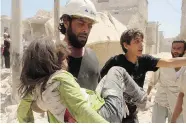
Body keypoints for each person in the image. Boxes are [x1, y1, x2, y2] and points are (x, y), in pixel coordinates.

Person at [17, 38, 151, 123]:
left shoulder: (39, 89)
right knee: (117, 71)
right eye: (65, 59)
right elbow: (81, 109)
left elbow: (22, 112)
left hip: (93, 107)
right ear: (58, 61)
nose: (67, 63)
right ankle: (143, 99)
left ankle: (125, 98)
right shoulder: (61, 78)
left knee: (103, 82)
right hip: (103, 115)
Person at [100, 28, 186, 123]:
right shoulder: (115, 61)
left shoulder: (144, 60)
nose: (141, 45)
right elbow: (99, 82)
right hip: (114, 114)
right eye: (137, 41)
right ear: (126, 45)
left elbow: (169, 62)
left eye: (142, 41)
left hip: (132, 114)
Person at [58, 0, 100, 91]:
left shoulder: (93, 56)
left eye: (89, 25)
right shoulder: (52, 58)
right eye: (81, 23)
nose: (86, 30)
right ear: (66, 22)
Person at [147, 40, 186, 123]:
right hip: (161, 101)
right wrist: (147, 95)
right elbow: (152, 81)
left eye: (179, 48)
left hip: (179, 105)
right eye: (174, 48)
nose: (175, 50)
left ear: (185, 50)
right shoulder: (164, 63)